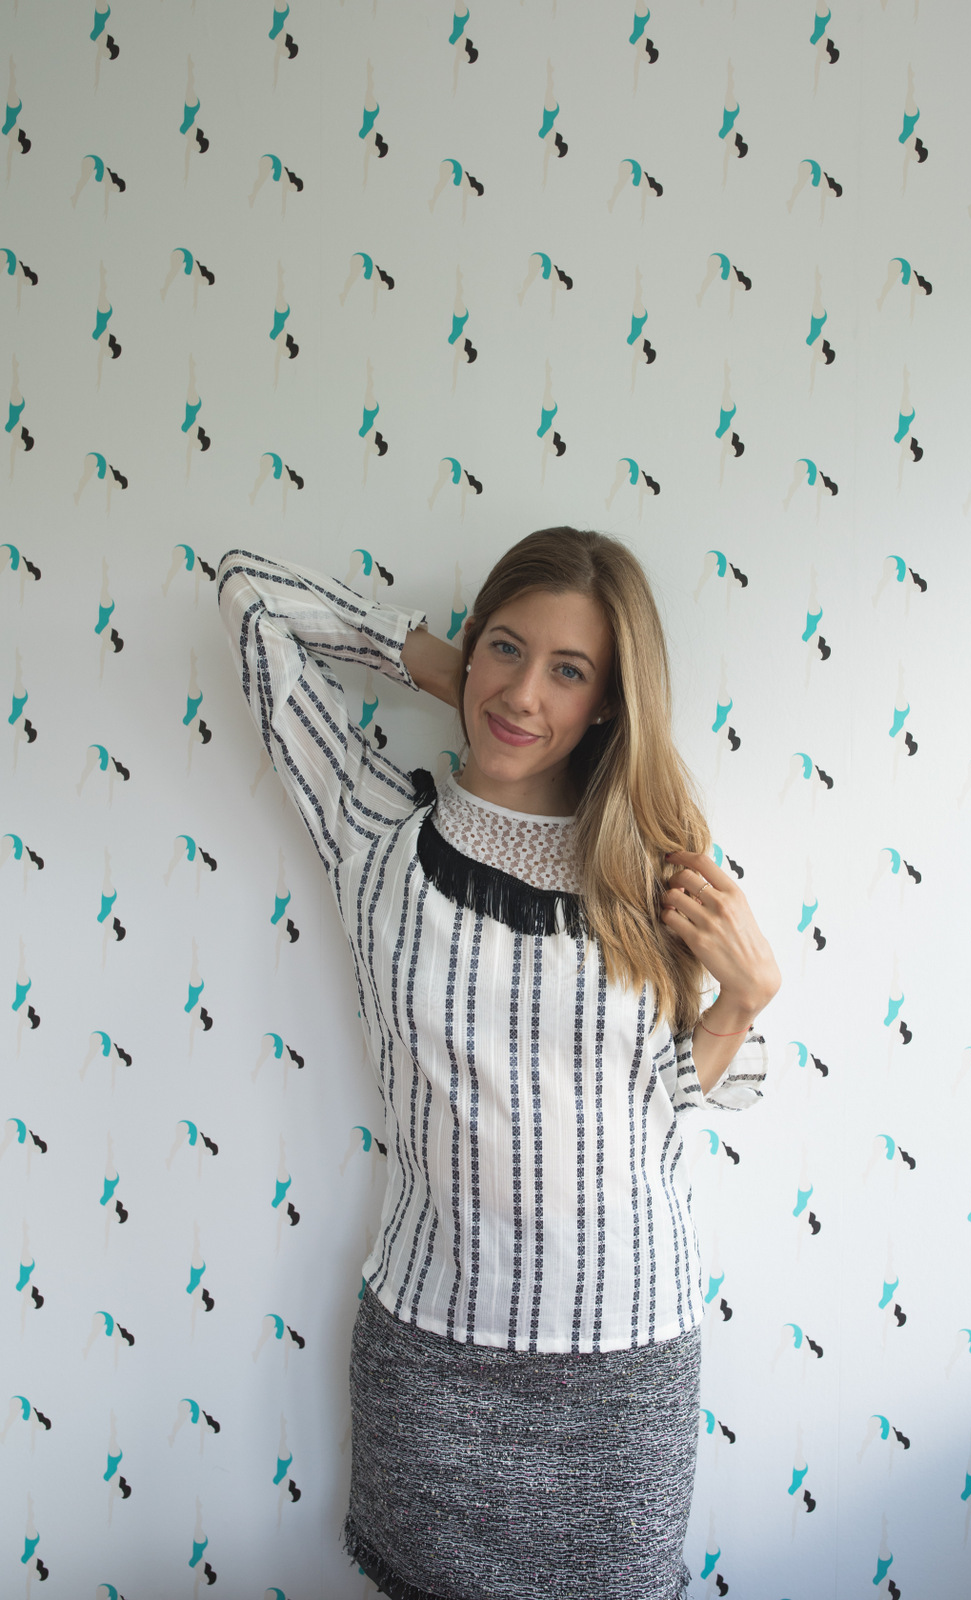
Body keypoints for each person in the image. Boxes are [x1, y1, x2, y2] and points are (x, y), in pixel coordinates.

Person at [217, 527, 779, 1600]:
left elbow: (657, 1111)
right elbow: (250, 595)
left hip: (626, 1367)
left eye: (568, 671)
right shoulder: (372, 828)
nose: (524, 693)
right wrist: (449, 669)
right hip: (434, 1353)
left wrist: (742, 1003)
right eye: (509, 648)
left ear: (608, 702)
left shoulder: (650, 869)